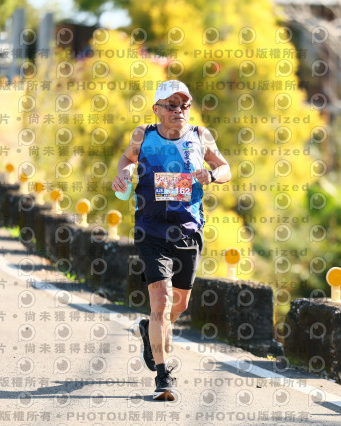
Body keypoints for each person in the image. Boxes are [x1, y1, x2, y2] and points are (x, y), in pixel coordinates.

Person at [112, 80, 231, 401]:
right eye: (171, 105)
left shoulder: (200, 136)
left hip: (188, 230)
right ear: (157, 109)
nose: (179, 110)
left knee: (178, 306)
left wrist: (213, 175)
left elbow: (225, 168)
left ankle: (149, 330)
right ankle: (164, 377)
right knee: (161, 302)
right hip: (150, 230)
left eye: (184, 105)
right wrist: (123, 173)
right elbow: (126, 160)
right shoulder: (143, 134)